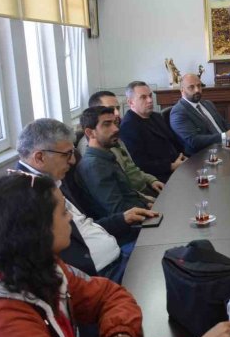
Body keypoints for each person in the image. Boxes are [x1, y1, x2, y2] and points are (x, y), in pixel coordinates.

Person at [0, 173, 230, 337]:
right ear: (35, 228)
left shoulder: (35, 266)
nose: (70, 218)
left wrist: (119, 334)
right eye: (62, 212)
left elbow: (108, 294)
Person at [15, 119, 155, 280]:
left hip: (117, 256)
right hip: (103, 275)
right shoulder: (27, 198)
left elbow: (84, 227)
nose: (73, 160)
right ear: (40, 157)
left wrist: (122, 218)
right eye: (67, 154)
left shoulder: (52, 180)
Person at [78, 91, 164, 197]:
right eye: (110, 109)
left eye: (117, 108)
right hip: (136, 198)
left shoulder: (114, 136)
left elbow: (132, 168)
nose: (117, 113)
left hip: (146, 188)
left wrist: (151, 180)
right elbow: (119, 187)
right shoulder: (94, 145)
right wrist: (146, 199)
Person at [77, 107, 151, 222]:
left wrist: (148, 203)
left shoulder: (106, 155)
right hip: (133, 226)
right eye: (107, 124)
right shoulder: (94, 165)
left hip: (141, 212)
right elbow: (119, 211)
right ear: (90, 133)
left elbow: (128, 194)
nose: (116, 129)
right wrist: (148, 207)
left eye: (115, 123)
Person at [119, 81, 186, 183]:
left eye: (150, 96)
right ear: (130, 102)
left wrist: (183, 157)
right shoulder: (128, 126)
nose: (150, 100)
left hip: (178, 166)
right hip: (158, 177)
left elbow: (173, 142)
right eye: (143, 97)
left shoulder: (156, 116)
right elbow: (140, 164)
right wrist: (172, 166)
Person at [170, 74, 230, 155]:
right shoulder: (178, 112)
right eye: (191, 87)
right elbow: (193, 141)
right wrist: (225, 136)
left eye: (199, 86)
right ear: (182, 90)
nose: (197, 90)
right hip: (205, 156)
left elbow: (224, 124)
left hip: (227, 147)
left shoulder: (207, 104)